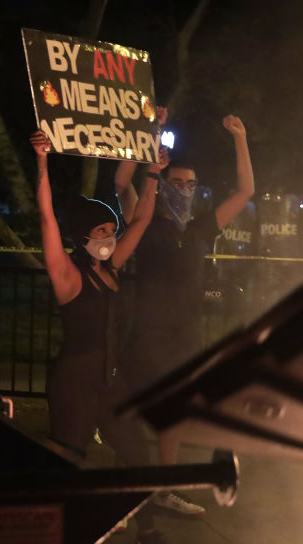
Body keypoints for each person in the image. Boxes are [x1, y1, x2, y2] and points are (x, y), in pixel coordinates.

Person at [30, 128, 179, 544]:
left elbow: (144, 220)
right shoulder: (69, 275)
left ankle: (146, 534)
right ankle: (54, 542)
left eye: (111, 229)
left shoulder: (112, 266)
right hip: (75, 383)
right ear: (83, 236)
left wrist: (152, 175)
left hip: (111, 382)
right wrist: (41, 162)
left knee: (136, 454)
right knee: (68, 463)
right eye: (101, 229)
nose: (110, 236)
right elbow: (46, 220)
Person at [119, 114, 255, 516]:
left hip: (184, 334)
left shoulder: (200, 228)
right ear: (162, 187)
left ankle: (164, 488)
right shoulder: (145, 220)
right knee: (129, 417)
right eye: (176, 184)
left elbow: (246, 190)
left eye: (191, 185)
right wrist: (146, 135)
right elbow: (122, 184)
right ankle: (121, 499)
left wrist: (241, 139)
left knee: (174, 417)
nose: (184, 190)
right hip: (145, 332)